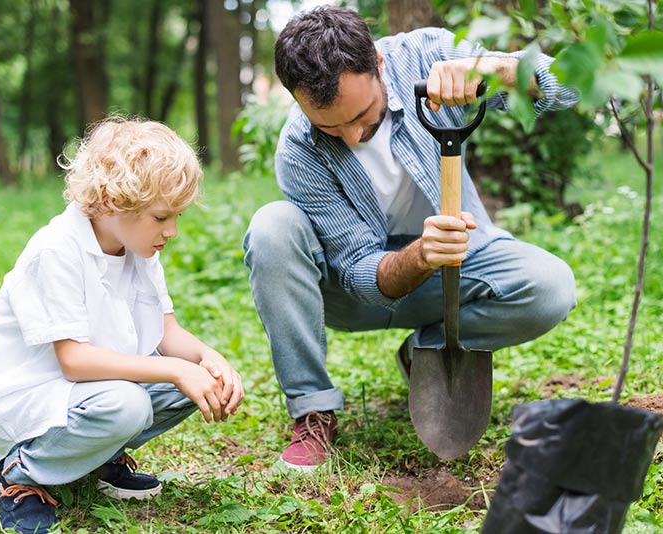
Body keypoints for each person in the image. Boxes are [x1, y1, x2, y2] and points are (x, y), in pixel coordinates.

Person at [243, 6, 578, 471]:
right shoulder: (299, 149)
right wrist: (421, 254)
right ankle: (313, 410)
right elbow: (360, 271)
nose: (352, 135)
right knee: (272, 227)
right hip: (352, 292)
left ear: (378, 64)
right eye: (330, 127)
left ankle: (429, 349)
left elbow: (566, 86)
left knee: (551, 287)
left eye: (362, 115)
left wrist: (497, 69)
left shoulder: (426, 54)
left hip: (457, 266)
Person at [0, 117, 245, 533]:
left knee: (196, 381)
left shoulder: (139, 248)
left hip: (92, 393)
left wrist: (208, 359)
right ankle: (19, 474)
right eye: (161, 218)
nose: (171, 232)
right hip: (35, 397)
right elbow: (74, 362)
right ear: (111, 201)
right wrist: (176, 369)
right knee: (130, 404)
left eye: (176, 217)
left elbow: (167, 332)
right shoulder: (57, 250)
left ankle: (97, 457)